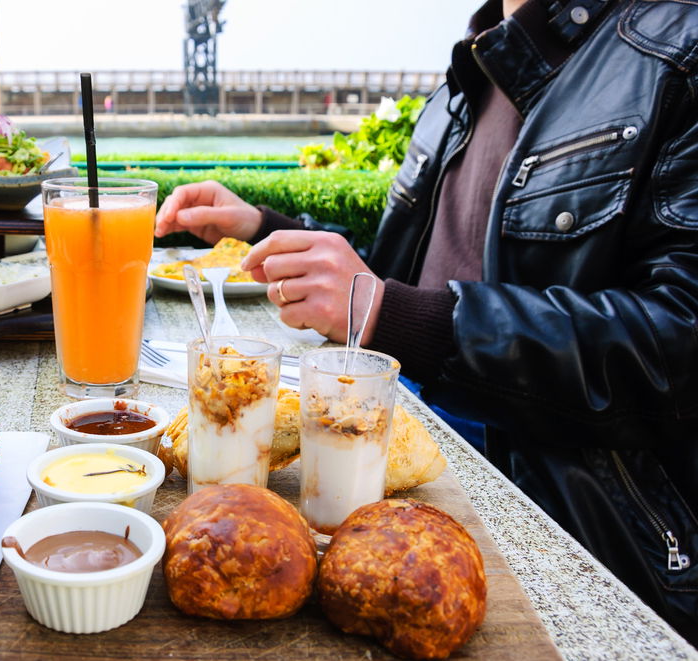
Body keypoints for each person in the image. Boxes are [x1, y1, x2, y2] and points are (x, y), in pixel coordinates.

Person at [155, 0, 698, 644]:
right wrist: (268, 232)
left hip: (559, 513)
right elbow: (404, 273)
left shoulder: (678, 50)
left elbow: (677, 342)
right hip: (394, 445)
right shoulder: (472, 67)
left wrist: (394, 313)